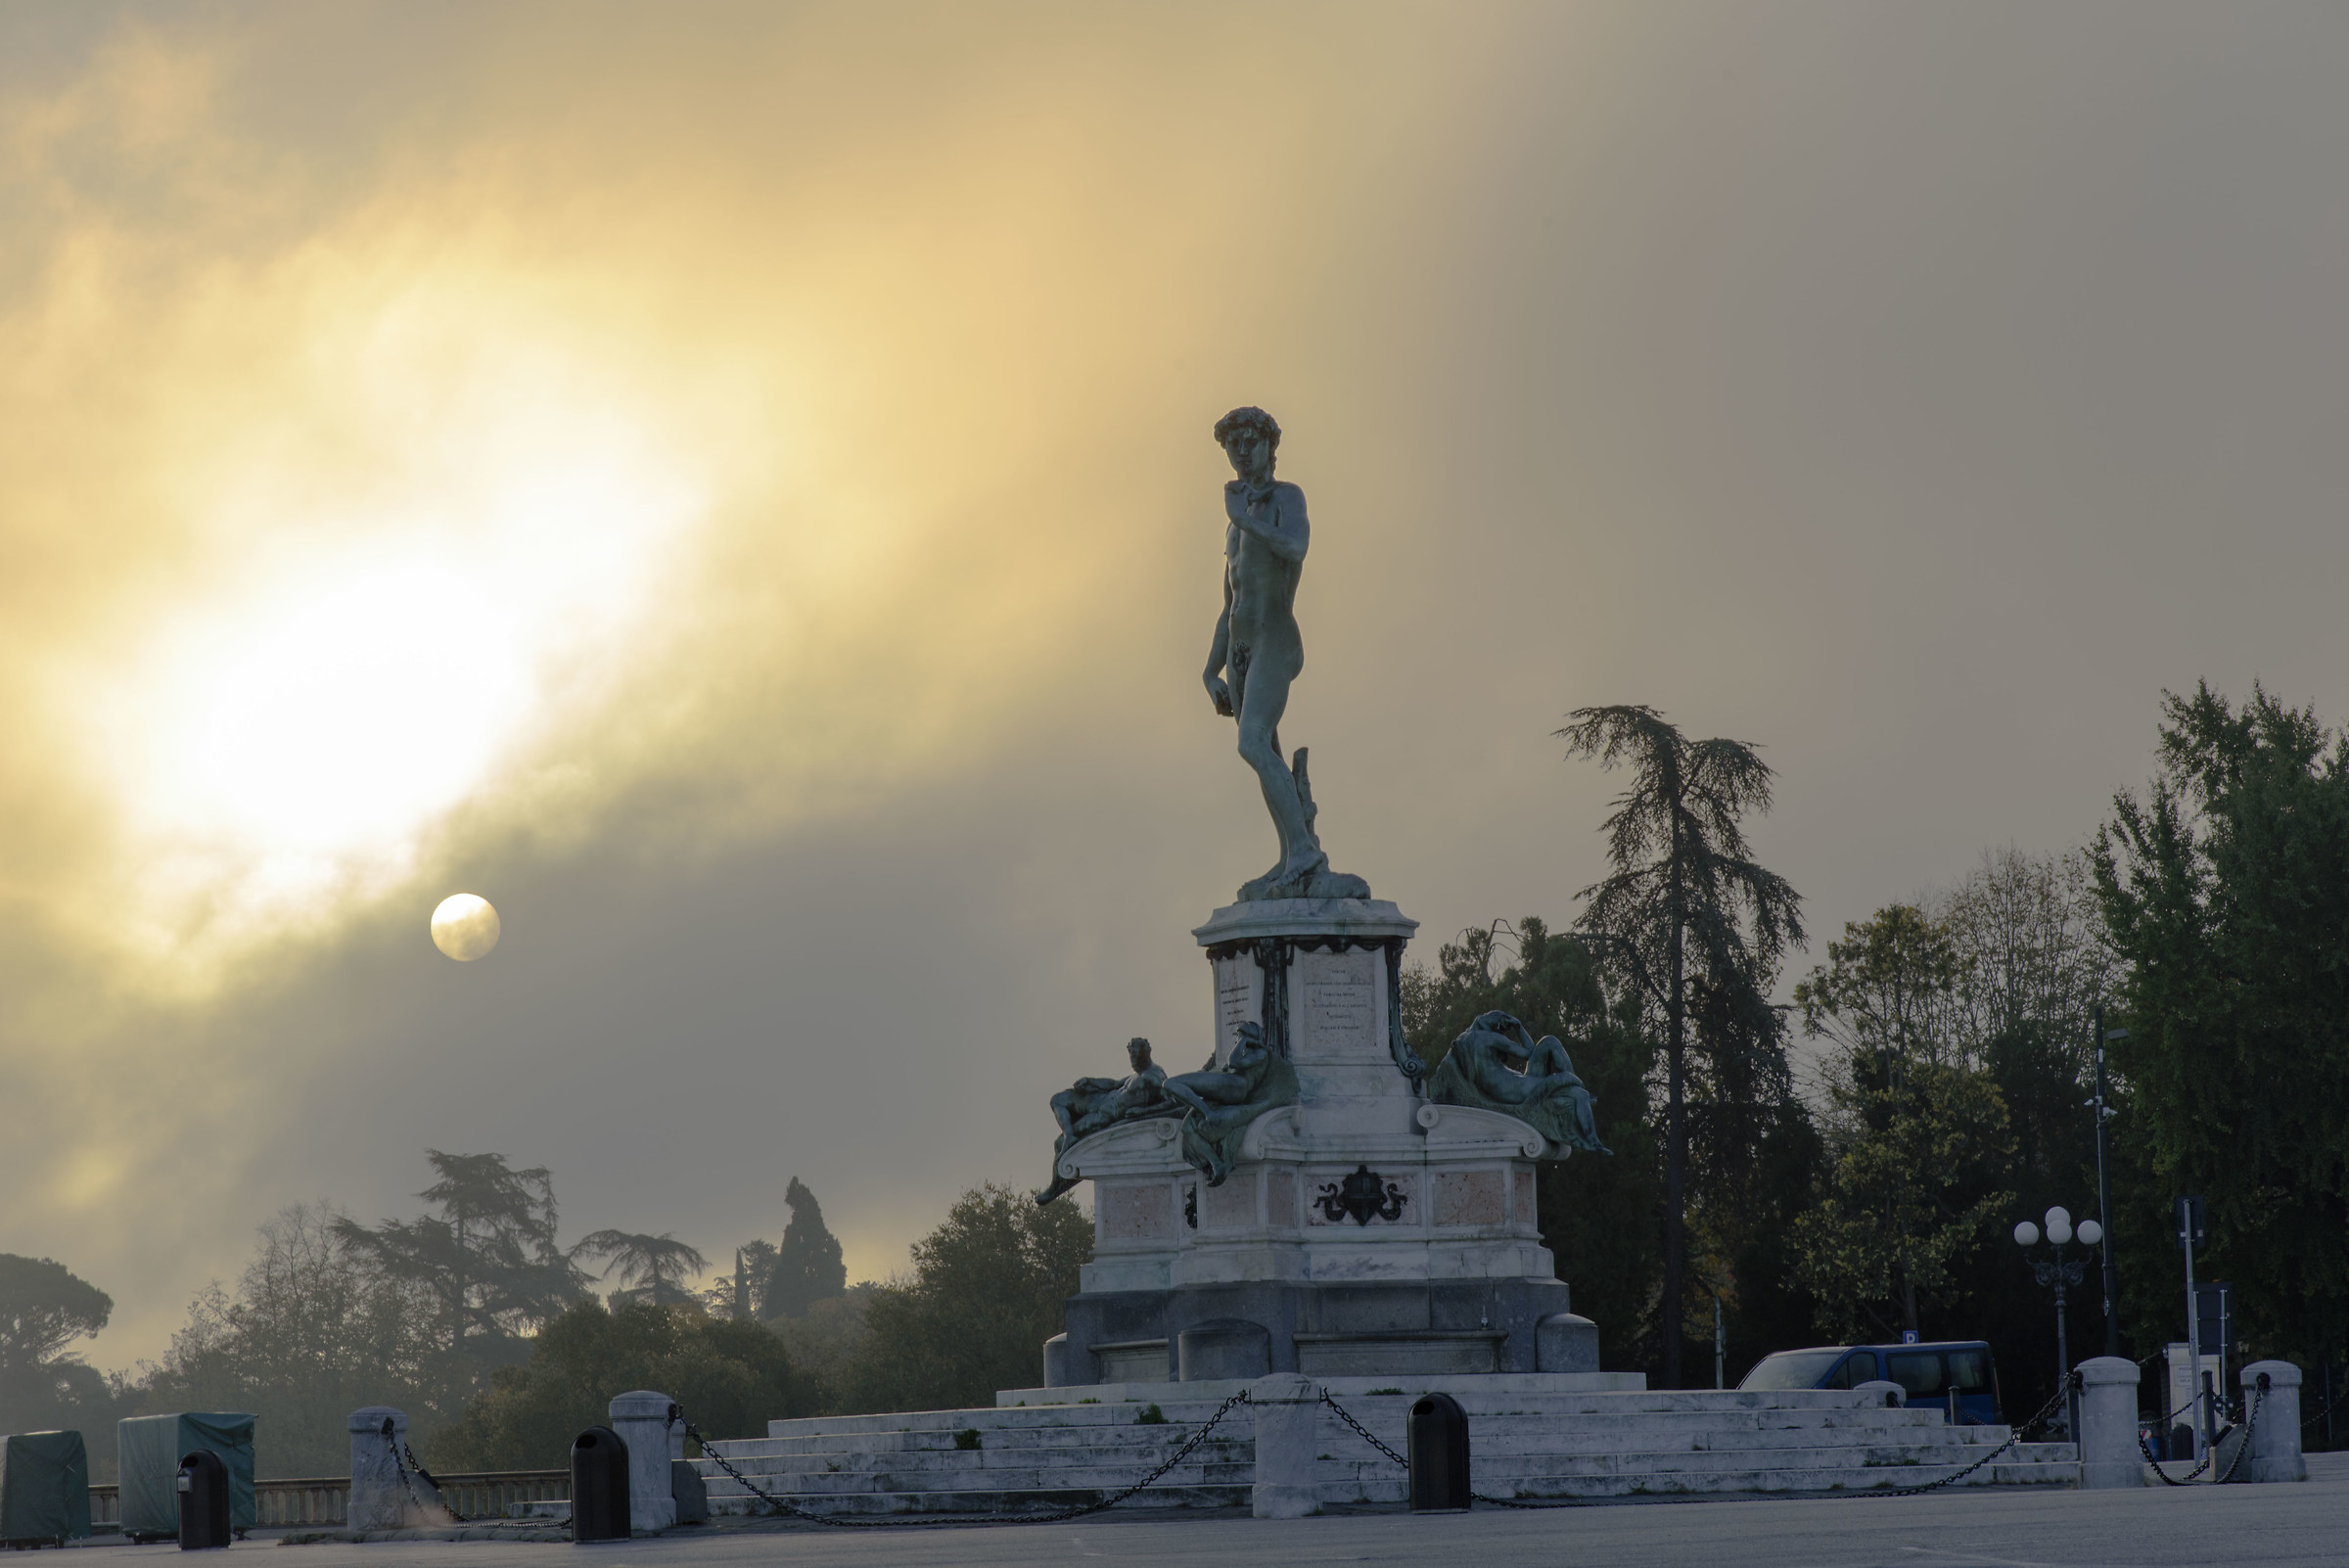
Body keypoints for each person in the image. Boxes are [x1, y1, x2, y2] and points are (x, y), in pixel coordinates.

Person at [1036, 1038, 1174, 1203]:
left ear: (1146, 1054)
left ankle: (1054, 1189)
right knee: (1058, 1099)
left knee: (1059, 1145)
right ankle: (1069, 1135)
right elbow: (1113, 1084)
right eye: (1131, 1056)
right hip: (1102, 1099)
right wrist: (1090, 1081)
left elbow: (1170, 1102)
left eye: (1135, 1056)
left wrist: (1142, 1111)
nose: (1132, 1060)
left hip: (1106, 1114)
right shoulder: (1138, 1074)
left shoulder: (1153, 1077)